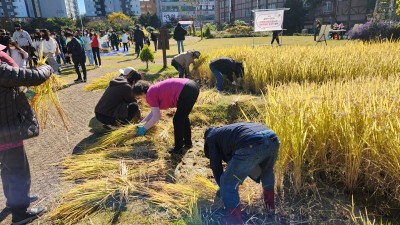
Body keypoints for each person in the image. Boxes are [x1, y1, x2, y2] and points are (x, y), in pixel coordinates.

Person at [0, 43, 54, 225]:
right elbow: (33, 76)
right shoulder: (1, 71)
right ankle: (20, 213)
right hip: (5, 131)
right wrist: (47, 67)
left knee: (8, 168)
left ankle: (14, 201)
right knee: (17, 170)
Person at [203, 122, 280, 225]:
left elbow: (216, 166)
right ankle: (270, 208)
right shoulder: (228, 131)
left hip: (251, 143)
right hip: (273, 138)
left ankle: (235, 221)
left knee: (227, 183)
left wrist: (223, 189)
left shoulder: (211, 137)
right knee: (267, 172)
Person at [133, 78, 200, 154]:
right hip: (191, 86)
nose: (140, 99)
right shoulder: (153, 90)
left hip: (186, 90)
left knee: (177, 120)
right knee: (183, 118)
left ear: (142, 93)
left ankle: (178, 149)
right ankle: (188, 143)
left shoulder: (150, 94)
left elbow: (156, 116)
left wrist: (144, 129)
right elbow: (153, 112)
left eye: (139, 97)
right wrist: (142, 123)